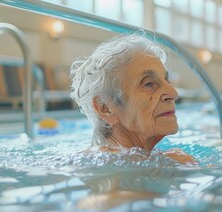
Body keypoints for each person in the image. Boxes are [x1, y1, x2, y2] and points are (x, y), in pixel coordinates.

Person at [70, 31, 195, 165]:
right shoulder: (112, 164)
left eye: (167, 80)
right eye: (149, 84)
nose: (173, 93)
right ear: (105, 108)